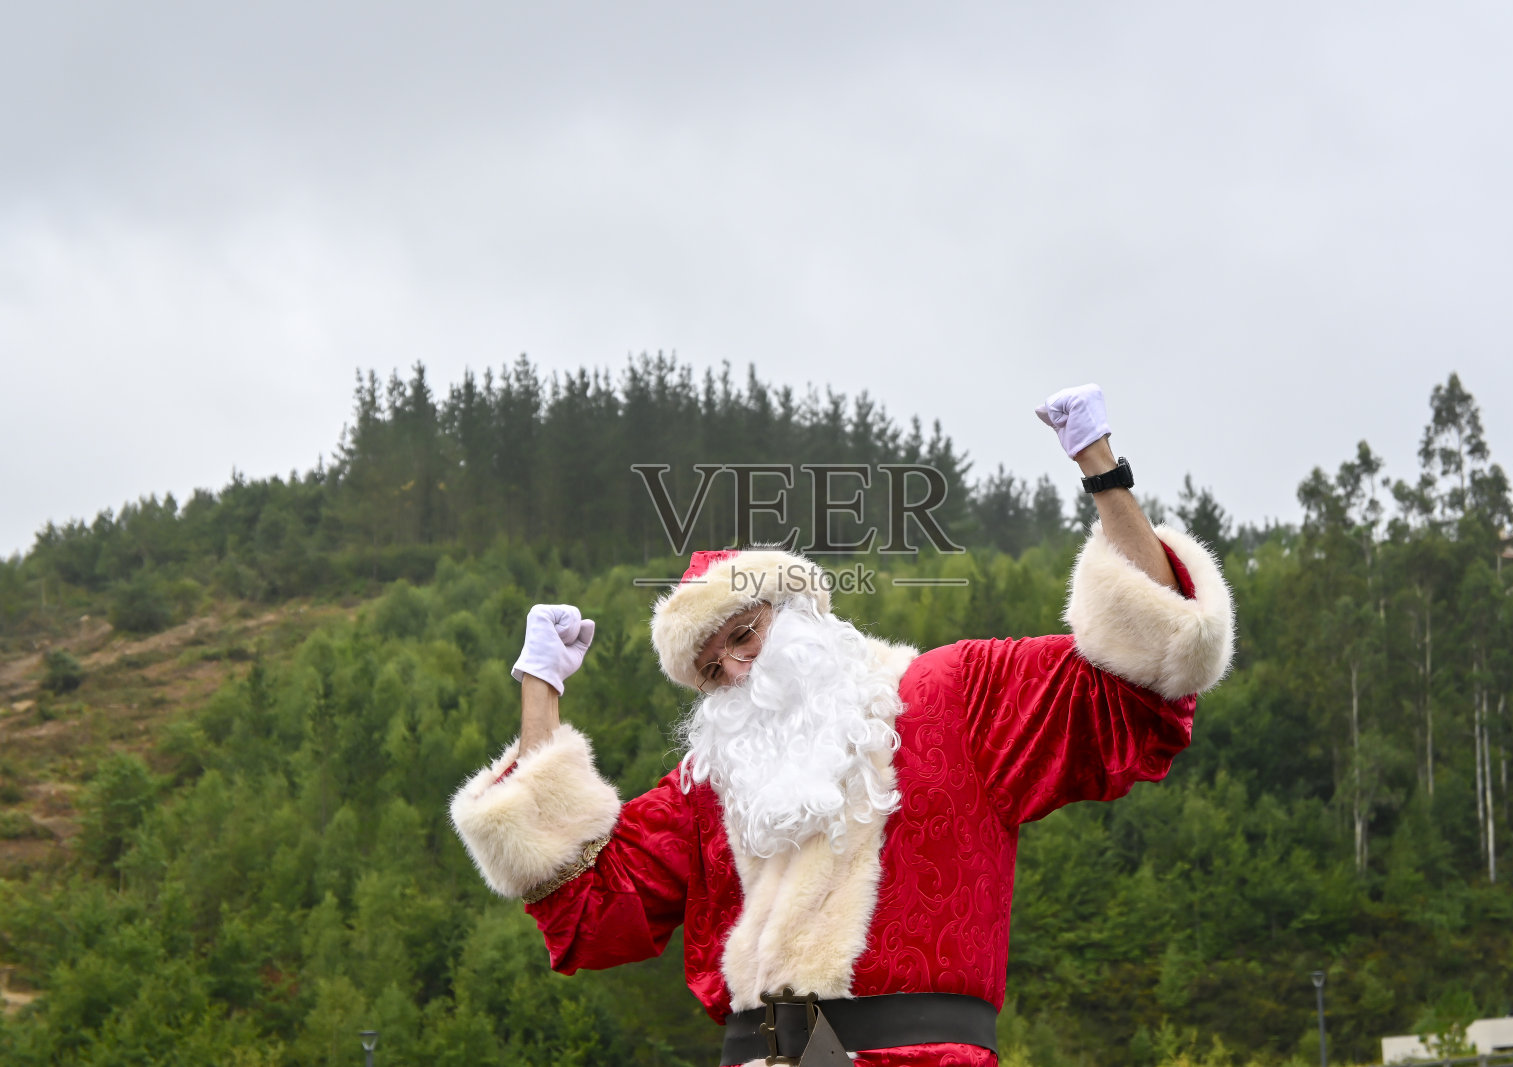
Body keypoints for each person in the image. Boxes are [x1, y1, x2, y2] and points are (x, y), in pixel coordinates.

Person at [450, 385, 1235, 1066]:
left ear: (798, 614)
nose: (737, 670)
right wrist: (540, 687)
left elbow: (1144, 670)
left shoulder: (953, 694)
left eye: (745, 634)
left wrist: (1101, 467)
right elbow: (586, 906)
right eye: (712, 666)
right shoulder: (710, 788)